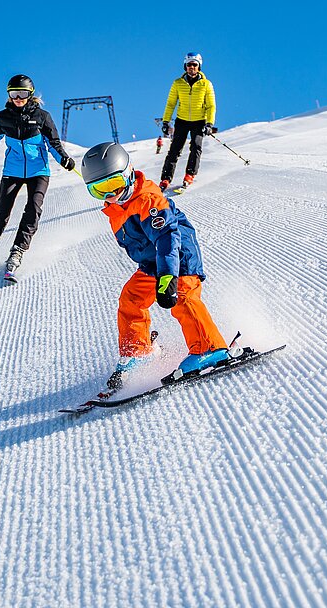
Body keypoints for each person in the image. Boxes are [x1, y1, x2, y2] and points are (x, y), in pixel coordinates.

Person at [81, 141, 228, 390]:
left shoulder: (147, 200)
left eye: (113, 185)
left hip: (178, 258)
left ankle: (210, 348)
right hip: (152, 264)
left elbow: (167, 237)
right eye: (99, 190)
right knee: (131, 299)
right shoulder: (117, 209)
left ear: (128, 174)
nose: (110, 196)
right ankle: (140, 351)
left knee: (182, 296)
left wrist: (168, 276)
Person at [0, 74, 75, 282]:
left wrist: (64, 159)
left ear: (30, 95)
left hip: (38, 171)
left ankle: (18, 251)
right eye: (14, 94)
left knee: (33, 209)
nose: (18, 98)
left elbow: (53, 144)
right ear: (9, 95)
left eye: (22, 94)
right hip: (12, 171)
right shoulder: (4, 117)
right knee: (1, 213)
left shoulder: (42, 116)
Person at [159, 52, 217, 191]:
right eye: (189, 64)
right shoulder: (178, 83)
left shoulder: (206, 84)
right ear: (185, 66)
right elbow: (171, 103)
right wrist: (166, 122)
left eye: (194, 65)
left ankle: (189, 175)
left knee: (196, 147)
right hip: (182, 121)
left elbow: (211, 105)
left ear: (199, 67)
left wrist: (209, 124)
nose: (192, 67)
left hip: (199, 121)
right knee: (175, 149)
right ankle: (166, 179)